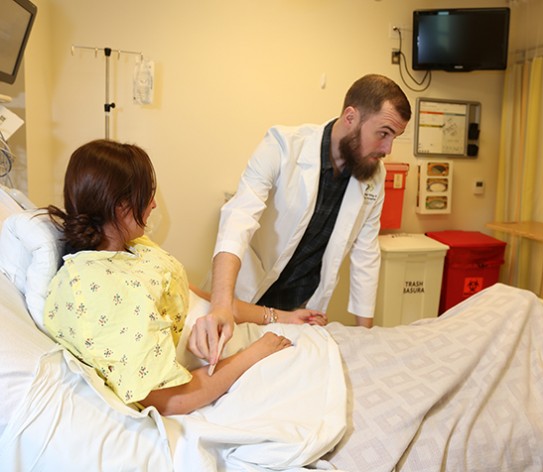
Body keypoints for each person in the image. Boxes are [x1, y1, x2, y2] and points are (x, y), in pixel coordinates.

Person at [42, 139, 326, 416]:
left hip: (232, 340)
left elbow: (205, 299)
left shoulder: (133, 247)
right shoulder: (95, 288)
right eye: (146, 195)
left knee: (318, 350)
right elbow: (169, 401)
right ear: (121, 207)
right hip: (220, 367)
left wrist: (280, 316)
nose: (153, 204)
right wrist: (255, 354)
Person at [189, 74, 411, 364]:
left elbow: (366, 253)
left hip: (298, 312)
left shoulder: (373, 176)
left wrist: (363, 335)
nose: (387, 149)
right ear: (350, 117)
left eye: (395, 137)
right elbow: (239, 216)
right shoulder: (283, 145)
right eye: (383, 133)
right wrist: (221, 305)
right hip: (245, 296)